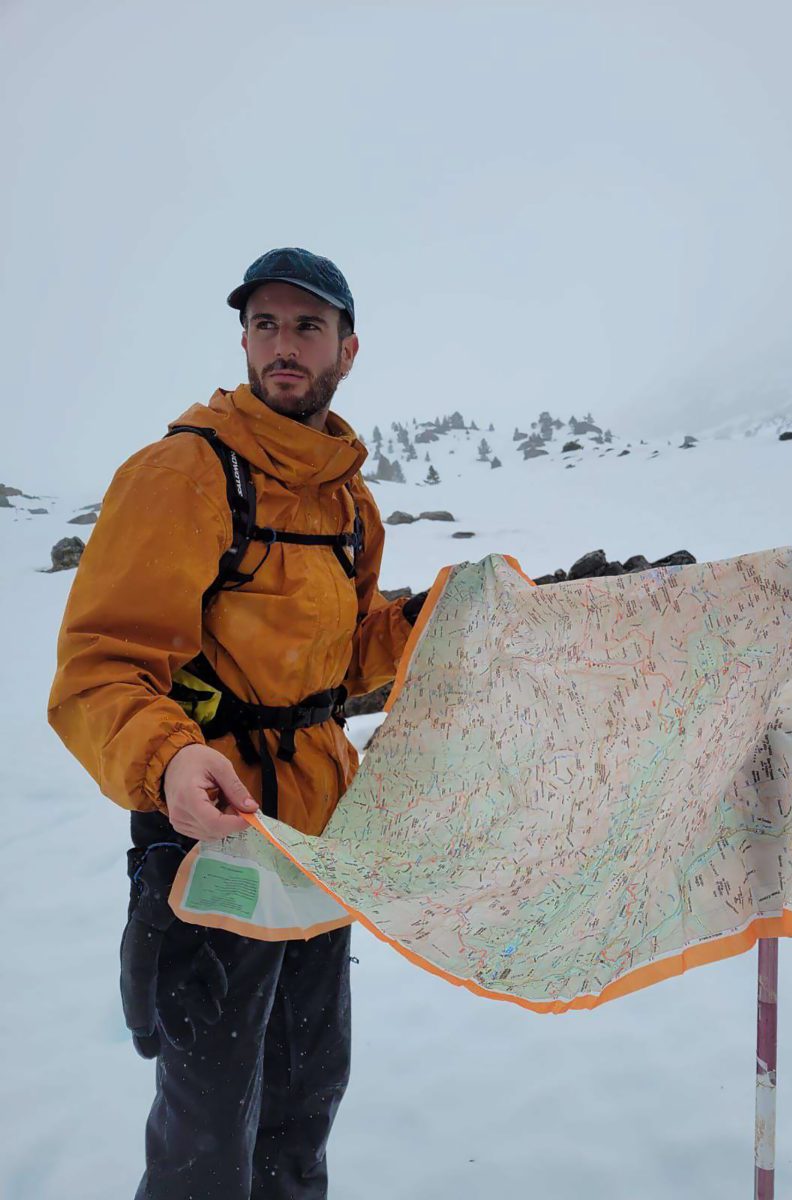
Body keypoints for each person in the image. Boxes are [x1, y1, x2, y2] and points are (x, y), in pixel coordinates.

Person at [47, 247, 427, 1199]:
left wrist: (432, 621)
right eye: (265, 324)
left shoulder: (348, 500)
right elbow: (101, 667)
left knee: (303, 1104)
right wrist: (170, 759)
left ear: (348, 349)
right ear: (245, 340)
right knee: (206, 1136)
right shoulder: (184, 473)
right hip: (211, 832)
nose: (283, 345)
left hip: (317, 841)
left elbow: (339, 660)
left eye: (307, 326)